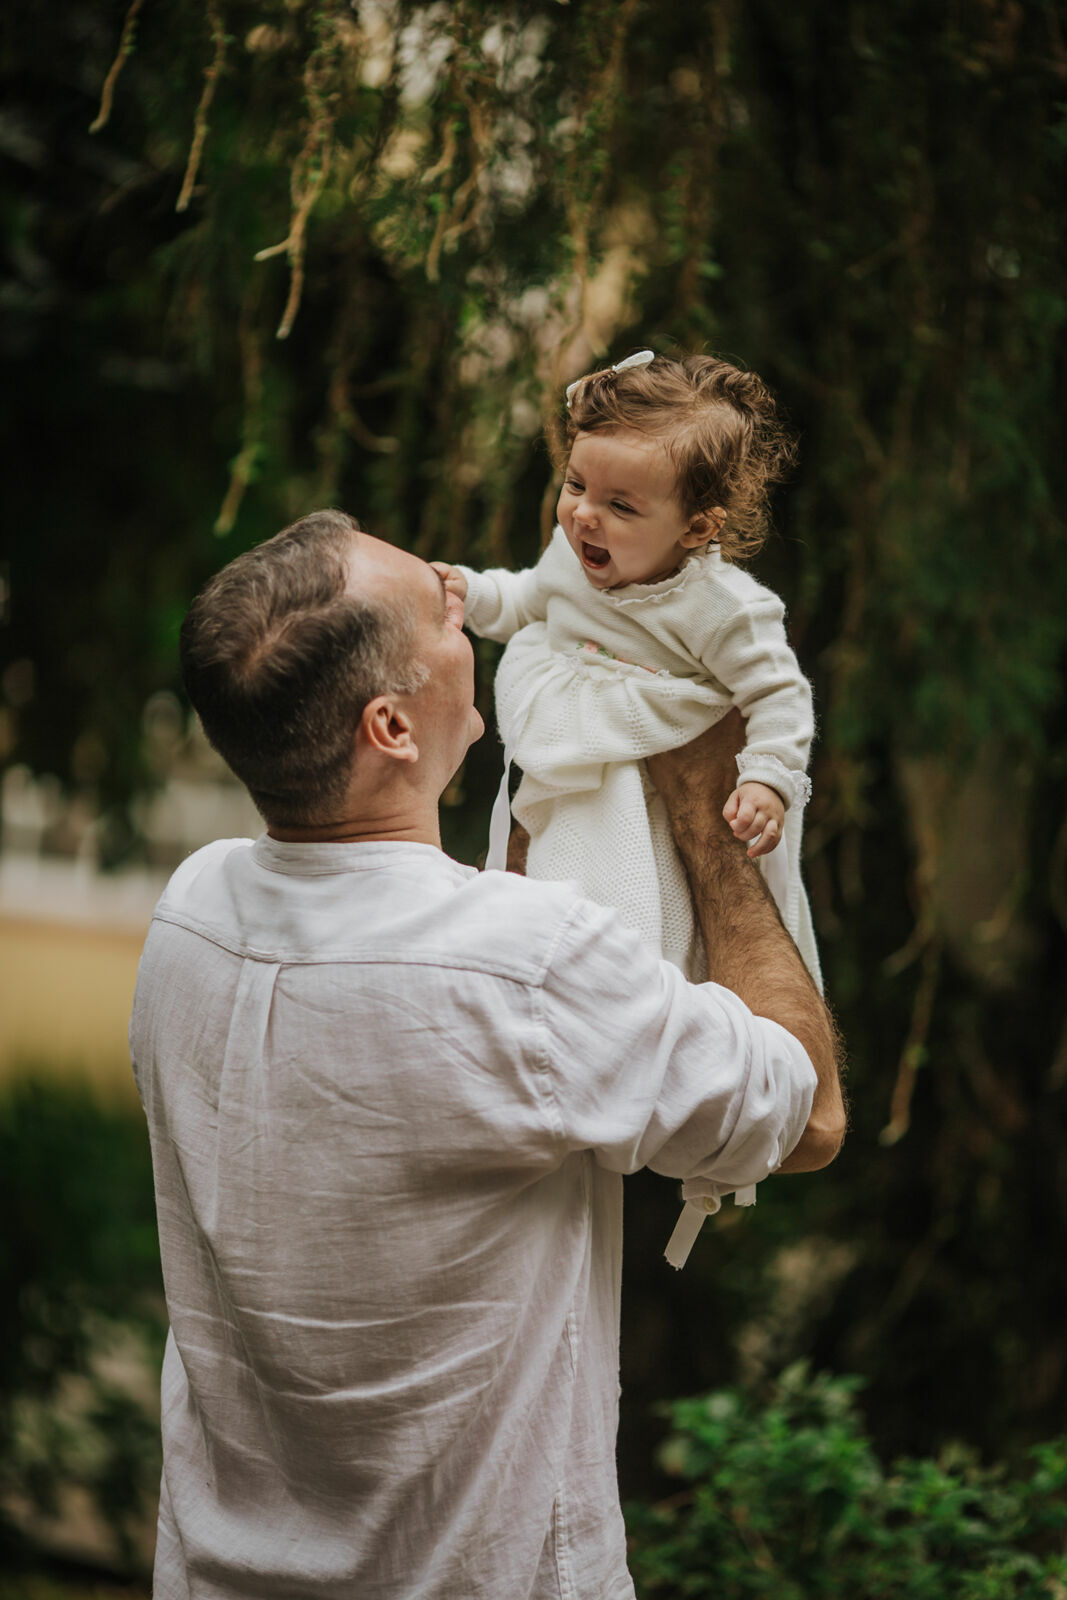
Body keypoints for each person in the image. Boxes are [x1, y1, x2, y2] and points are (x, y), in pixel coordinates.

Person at [131, 507, 844, 1600]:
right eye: (440, 613)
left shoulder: (188, 916)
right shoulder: (525, 968)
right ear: (392, 728)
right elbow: (805, 1112)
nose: (470, 608)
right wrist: (702, 801)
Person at [436, 350, 819, 993]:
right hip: (581, 777)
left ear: (696, 528)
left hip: (660, 804)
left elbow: (779, 694)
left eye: (622, 506)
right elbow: (528, 600)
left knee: (660, 931)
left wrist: (768, 781)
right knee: (562, 897)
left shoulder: (724, 608)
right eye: (577, 485)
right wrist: (468, 593)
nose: (585, 515)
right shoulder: (572, 555)